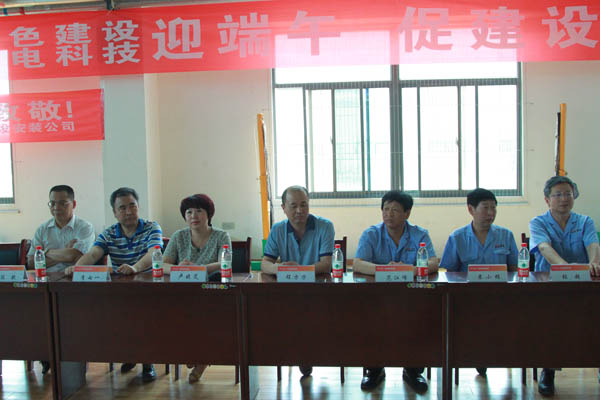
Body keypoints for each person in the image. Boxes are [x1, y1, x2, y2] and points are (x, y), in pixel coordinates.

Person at [65, 187, 163, 382]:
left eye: (132, 206)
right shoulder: (109, 233)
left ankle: (147, 362)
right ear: (115, 212)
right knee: (107, 314)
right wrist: (78, 268)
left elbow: (154, 252)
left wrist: (135, 267)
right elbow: (93, 254)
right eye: (122, 208)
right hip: (121, 289)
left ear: (138, 207)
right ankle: (129, 354)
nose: (128, 212)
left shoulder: (152, 227)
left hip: (149, 287)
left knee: (142, 314)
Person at [353, 190, 438, 392]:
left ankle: (413, 371)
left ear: (407, 213)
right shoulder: (371, 234)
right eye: (386, 209)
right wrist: (385, 269)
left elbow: (433, 262)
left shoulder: (419, 234)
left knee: (420, 320)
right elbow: (357, 263)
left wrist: (410, 270)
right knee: (370, 321)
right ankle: (374, 370)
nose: (388, 214)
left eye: (395, 210)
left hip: (412, 297)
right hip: (378, 298)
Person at [529, 176, 600, 396]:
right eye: (558, 194)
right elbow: (544, 248)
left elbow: (593, 244)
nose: (564, 198)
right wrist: (566, 268)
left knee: (594, 322)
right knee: (550, 325)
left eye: (568, 194)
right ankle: (548, 370)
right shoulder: (538, 222)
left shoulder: (584, 221)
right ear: (547, 199)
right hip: (549, 285)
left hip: (582, 285)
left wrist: (594, 263)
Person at [440, 188, 518, 378]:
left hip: (501, 298)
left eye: (494, 208)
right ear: (471, 209)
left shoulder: (506, 235)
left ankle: (494, 354)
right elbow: (450, 273)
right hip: (468, 299)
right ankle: (477, 354)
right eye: (485, 208)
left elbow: (515, 269)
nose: (491, 213)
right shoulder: (457, 237)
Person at [261, 185, 335, 378]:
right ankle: (300, 353)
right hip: (289, 291)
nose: (300, 210)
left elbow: (326, 264)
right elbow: (265, 263)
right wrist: (281, 269)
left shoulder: (325, 226)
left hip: (318, 289)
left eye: (304, 205)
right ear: (283, 208)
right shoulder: (278, 229)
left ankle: (306, 354)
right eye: (293, 206)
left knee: (309, 315)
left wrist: (298, 270)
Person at [162, 194, 231, 383]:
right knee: (176, 317)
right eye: (189, 212)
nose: (193, 216)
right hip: (183, 293)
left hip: (212, 292)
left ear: (208, 214)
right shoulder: (178, 236)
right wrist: (180, 268)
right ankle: (195, 352)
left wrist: (199, 268)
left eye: (199, 211)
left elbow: (225, 263)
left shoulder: (221, 235)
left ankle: (201, 358)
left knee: (208, 317)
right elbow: (163, 264)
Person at [27, 184, 95, 374]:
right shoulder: (43, 229)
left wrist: (46, 253)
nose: (56, 207)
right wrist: (63, 253)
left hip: (74, 281)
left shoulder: (84, 227)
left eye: (63, 203)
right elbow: (31, 262)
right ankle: (45, 354)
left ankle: (72, 358)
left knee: (71, 318)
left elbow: (76, 256)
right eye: (52, 203)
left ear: (73, 204)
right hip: (45, 281)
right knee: (34, 312)